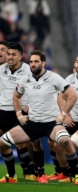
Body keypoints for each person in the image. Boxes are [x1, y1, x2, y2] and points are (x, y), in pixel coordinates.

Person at [0, 50, 78, 185]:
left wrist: (63, 115)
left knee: (66, 142)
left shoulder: (54, 77)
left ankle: (76, 175)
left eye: (36, 61)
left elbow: (72, 95)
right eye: (31, 62)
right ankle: (12, 175)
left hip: (51, 123)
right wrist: (19, 115)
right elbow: (16, 96)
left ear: (43, 63)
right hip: (32, 123)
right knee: (2, 143)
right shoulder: (25, 79)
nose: (33, 64)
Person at [47, 54, 78, 181]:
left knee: (71, 144)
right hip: (73, 122)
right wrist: (65, 115)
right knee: (57, 144)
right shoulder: (69, 79)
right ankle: (66, 174)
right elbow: (60, 97)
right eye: (77, 61)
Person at [0, 42, 36, 182]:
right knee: (2, 143)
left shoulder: (28, 71)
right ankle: (11, 175)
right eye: (8, 54)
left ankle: (30, 171)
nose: (10, 57)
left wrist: (29, 107)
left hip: (20, 111)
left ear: (21, 56)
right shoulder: (1, 69)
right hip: (2, 110)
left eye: (13, 54)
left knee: (21, 143)